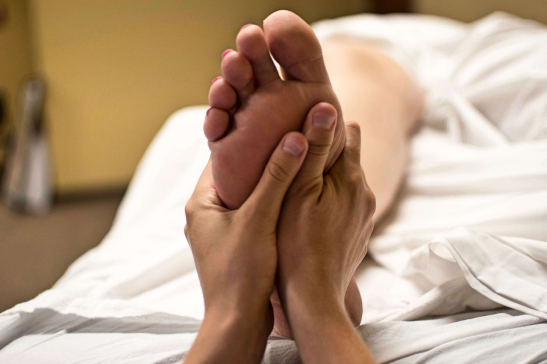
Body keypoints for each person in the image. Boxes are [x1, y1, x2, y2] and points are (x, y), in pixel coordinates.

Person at [185, 9, 423, 362]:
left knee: (357, 65)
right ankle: (314, 287)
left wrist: (230, 309)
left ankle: (235, 317)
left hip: (367, 46)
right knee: (365, 74)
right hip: (383, 53)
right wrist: (314, 292)